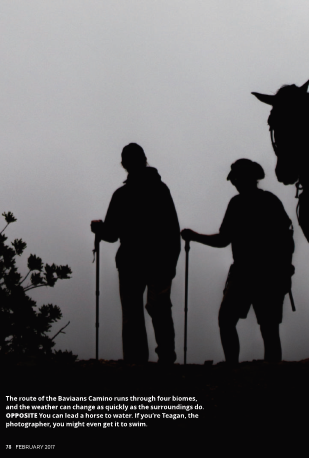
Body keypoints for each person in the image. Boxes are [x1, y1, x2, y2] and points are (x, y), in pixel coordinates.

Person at [181, 159, 294, 364]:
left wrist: (195, 237)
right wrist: (286, 270)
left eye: (236, 178)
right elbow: (287, 239)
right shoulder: (261, 201)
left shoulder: (242, 203)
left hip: (255, 274)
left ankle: (238, 367)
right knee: (264, 327)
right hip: (263, 274)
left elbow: (224, 240)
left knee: (236, 322)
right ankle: (267, 371)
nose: (234, 182)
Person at [91, 143, 180, 364]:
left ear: (124, 164)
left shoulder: (123, 194)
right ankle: (164, 358)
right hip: (156, 259)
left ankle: (137, 362)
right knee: (157, 309)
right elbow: (172, 229)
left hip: (134, 260)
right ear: (144, 159)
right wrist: (172, 262)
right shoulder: (159, 189)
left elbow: (111, 234)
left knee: (135, 313)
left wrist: (99, 230)